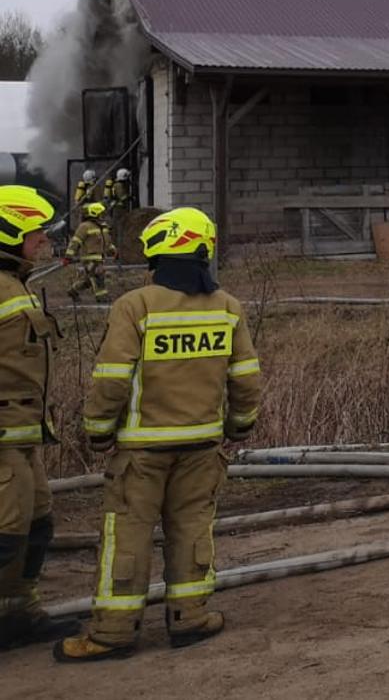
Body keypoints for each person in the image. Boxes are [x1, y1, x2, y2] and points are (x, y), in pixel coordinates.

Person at [56, 207, 263, 662]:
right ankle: (190, 618)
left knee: (126, 532)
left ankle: (113, 632)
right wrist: (240, 425)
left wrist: (97, 431)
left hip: (142, 450)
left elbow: (111, 379)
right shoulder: (227, 307)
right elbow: (245, 379)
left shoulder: (136, 306)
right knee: (192, 529)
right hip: (203, 447)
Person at [0, 186, 80, 651]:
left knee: (36, 523)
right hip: (4, 435)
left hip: (24, 433)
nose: (41, 243)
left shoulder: (16, 282)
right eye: (32, 235)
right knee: (5, 533)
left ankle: (17, 614)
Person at [65, 202, 113, 302]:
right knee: (98, 275)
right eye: (101, 213)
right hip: (89, 258)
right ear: (95, 213)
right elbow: (76, 241)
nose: (103, 216)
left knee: (88, 280)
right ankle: (102, 297)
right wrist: (68, 256)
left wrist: (113, 250)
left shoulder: (102, 226)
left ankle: (73, 290)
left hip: (100, 258)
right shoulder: (84, 226)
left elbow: (107, 241)